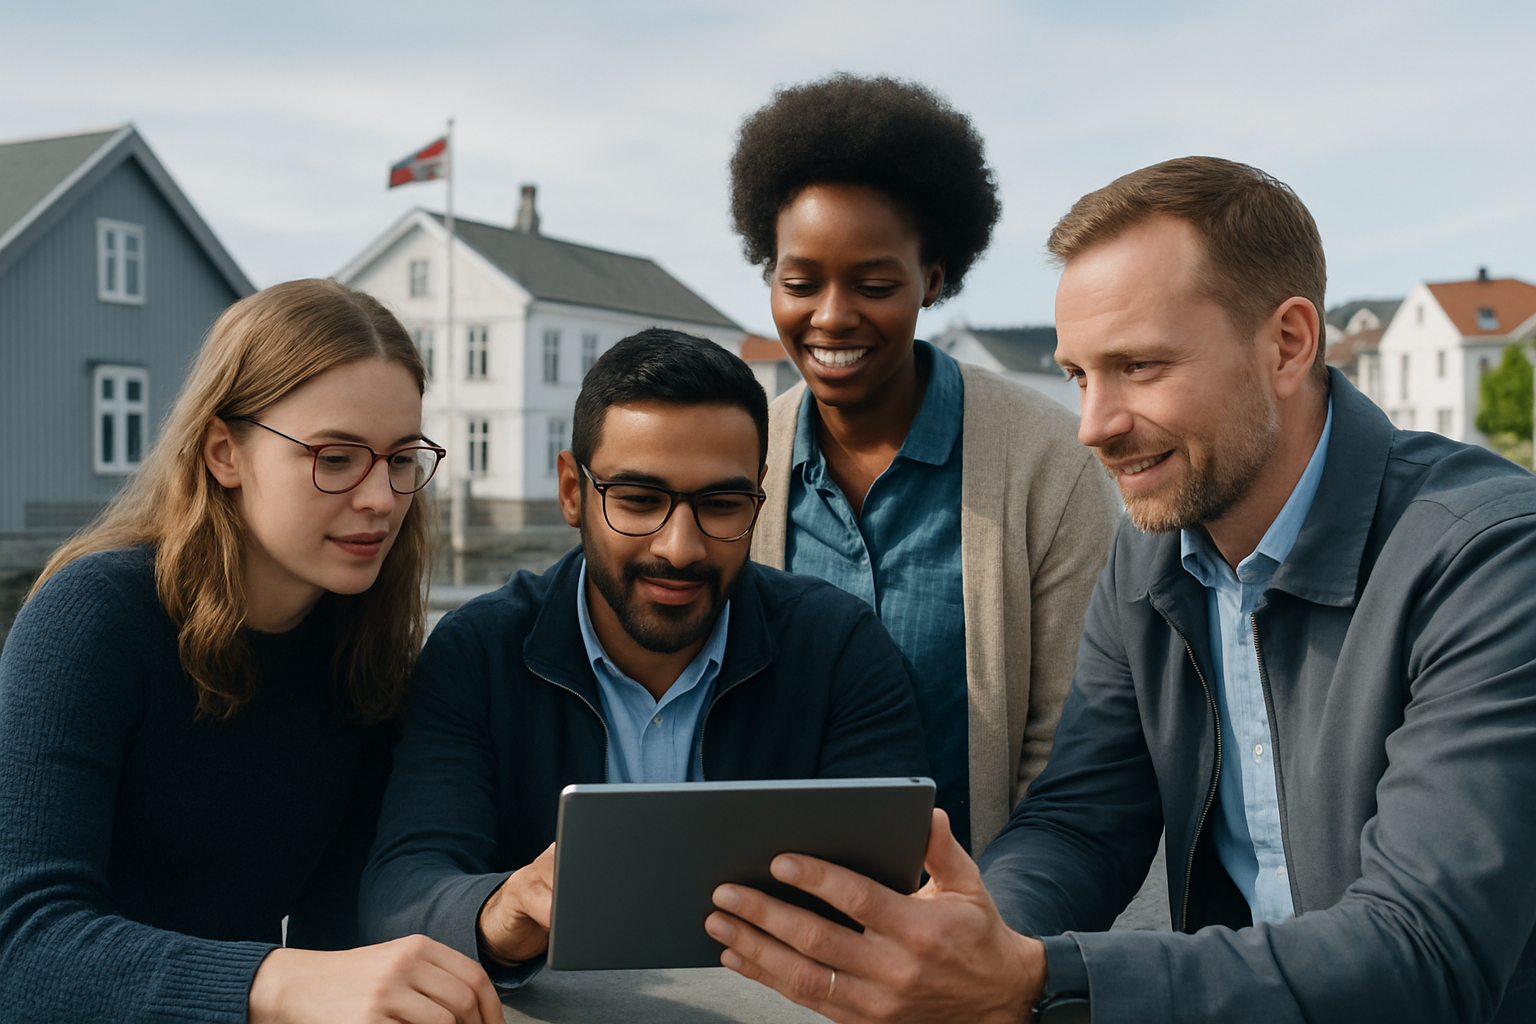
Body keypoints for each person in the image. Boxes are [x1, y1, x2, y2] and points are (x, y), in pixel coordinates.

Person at [703, 157, 1536, 1023]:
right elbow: (1080, 821)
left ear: (1288, 344)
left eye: (1139, 367)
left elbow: (1427, 953)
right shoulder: (1153, 557)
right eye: (1078, 375)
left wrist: (1033, 981)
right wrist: (973, 938)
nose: (1095, 426)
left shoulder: (1489, 558)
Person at [359, 328, 930, 989]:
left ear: (760, 498)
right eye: (638, 500)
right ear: (572, 491)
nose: (680, 547)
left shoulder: (839, 648)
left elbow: (893, 896)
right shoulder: (476, 653)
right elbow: (401, 888)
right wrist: (499, 911)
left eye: (721, 505)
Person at [0, 279, 503, 1024]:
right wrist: (273, 981)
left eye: (402, 459)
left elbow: (344, 936)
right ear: (224, 451)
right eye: (336, 457)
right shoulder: (91, 619)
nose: (381, 498)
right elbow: (22, 946)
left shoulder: (358, 652)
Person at [730, 74, 1119, 854]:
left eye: (874, 284)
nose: (832, 316)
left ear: (933, 278)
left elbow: (1068, 760)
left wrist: (990, 939)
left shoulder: (1047, 466)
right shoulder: (743, 464)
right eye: (799, 282)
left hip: (981, 923)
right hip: (767, 937)